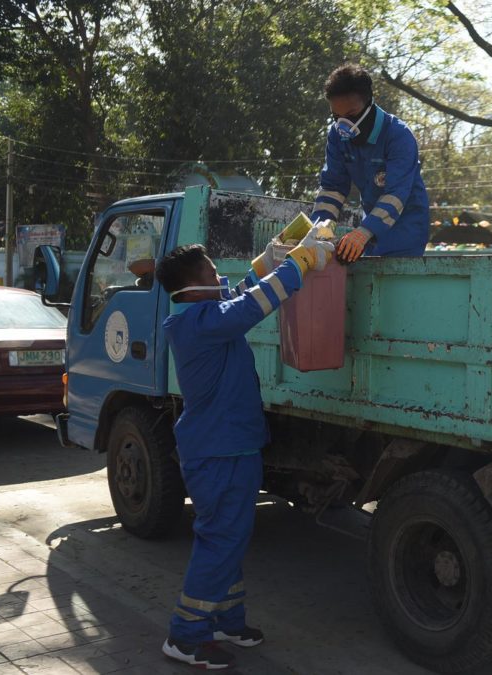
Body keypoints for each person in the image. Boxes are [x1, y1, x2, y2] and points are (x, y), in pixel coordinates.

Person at [154, 228, 334, 669]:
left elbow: (240, 292)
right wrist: (300, 264)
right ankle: (185, 635)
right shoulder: (200, 322)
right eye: (212, 271)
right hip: (219, 450)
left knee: (231, 538)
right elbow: (250, 305)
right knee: (221, 539)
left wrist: (268, 260)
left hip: (230, 446)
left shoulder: (206, 314)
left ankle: (226, 620)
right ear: (191, 285)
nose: (220, 277)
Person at [311, 63, 430, 262]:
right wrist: (319, 228)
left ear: (369, 103)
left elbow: (396, 194)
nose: (344, 125)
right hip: (371, 231)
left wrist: (364, 232)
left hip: (406, 232)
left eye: (350, 116)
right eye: (336, 117)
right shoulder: (336, 135)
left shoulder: (398, 135)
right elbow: (332, 187)